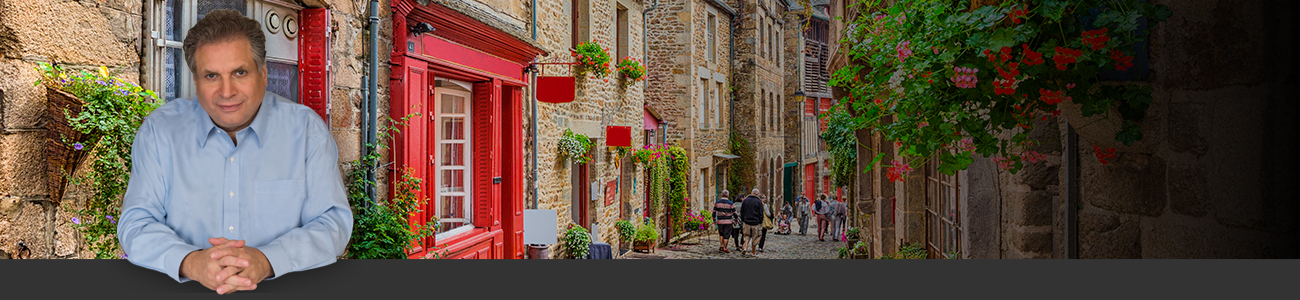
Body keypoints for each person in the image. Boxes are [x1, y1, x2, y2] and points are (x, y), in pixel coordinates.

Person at [116, 9, 351, 295]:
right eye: (211, 75)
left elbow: (332, 224)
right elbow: (137, 222)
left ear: (263, 74)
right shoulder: (159, 132)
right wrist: (191, 262)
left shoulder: (306, 132)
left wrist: (266, 260)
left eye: (240, 72)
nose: (226, 91)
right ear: (195, 80)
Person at [739, 189, 765, 256]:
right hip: (756, 222)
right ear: (757, 194)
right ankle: (753, 252)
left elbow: (742, 211)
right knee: (755, 237)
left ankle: (745, 247)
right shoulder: (759, 202)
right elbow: (761, 214)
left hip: (746, 221)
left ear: (751, 193)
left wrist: (743, 220)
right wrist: (760, 221)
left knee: (746, 235)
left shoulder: (745, 200)